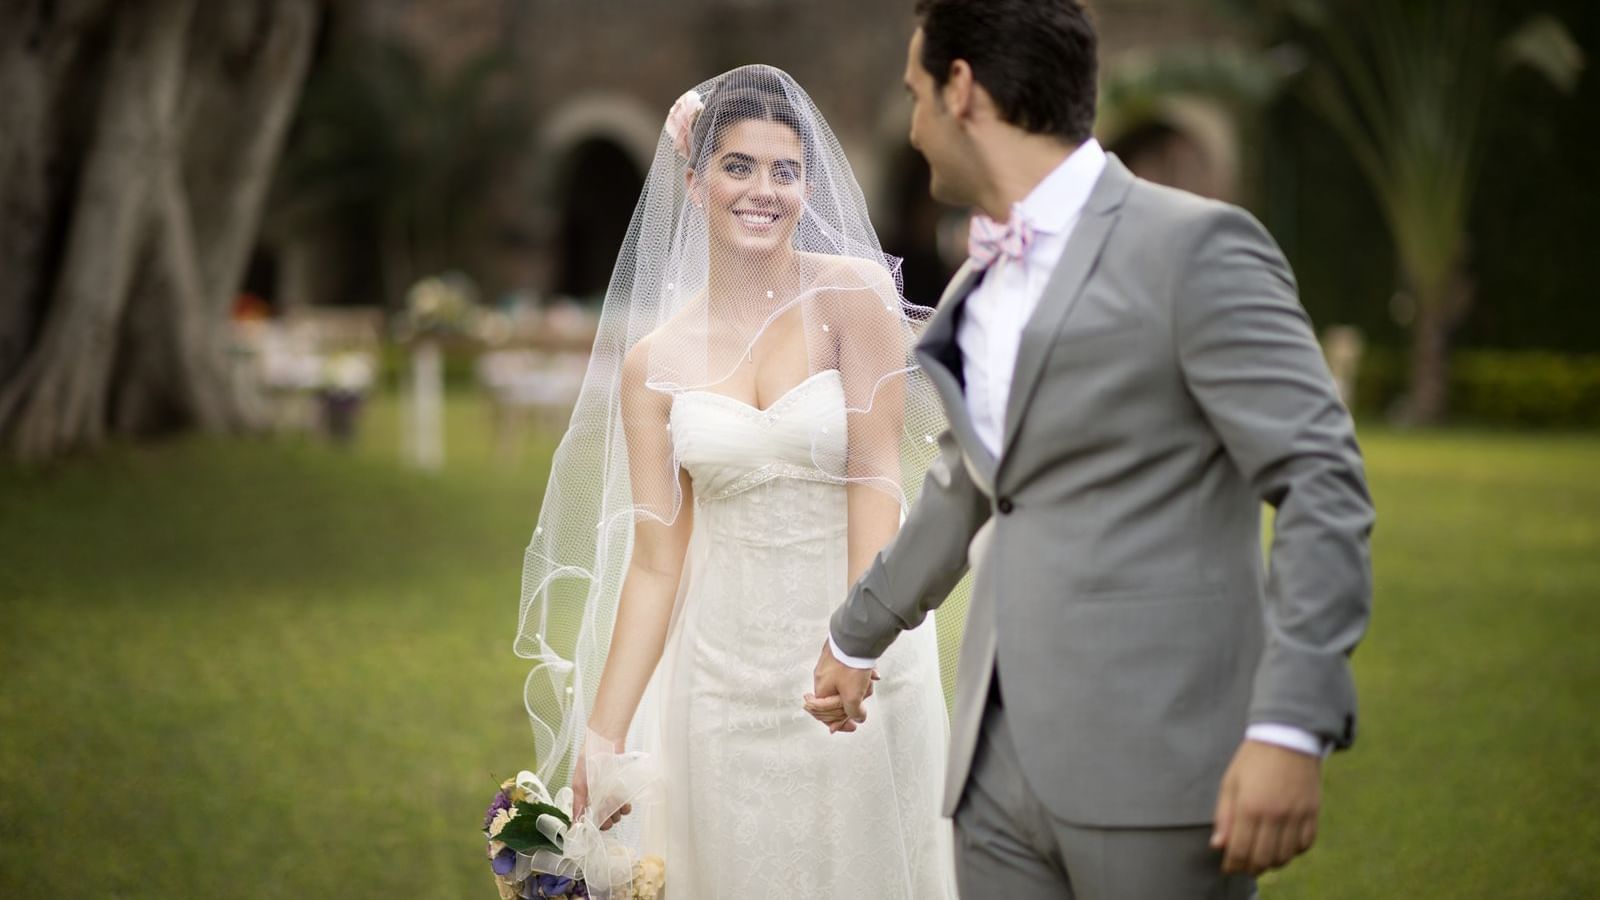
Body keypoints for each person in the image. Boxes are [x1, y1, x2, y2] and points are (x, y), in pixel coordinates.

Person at [808, 2, 1376, 897]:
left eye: (917, 94)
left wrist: (1290, 727)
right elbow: (966, 487)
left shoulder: (1197, 248)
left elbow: (1322, 482)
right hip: (992, 774)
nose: (912, 128)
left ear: (963, 91)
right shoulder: (977, 281)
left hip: (1155, 765)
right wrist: (856, 634)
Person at [516, 65, 955, 899]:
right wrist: (602, 736)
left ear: (808, 185)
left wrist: (859, 642)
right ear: (695, 182)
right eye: (738, 166)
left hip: (858, 662)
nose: (764, 191)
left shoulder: (853, 298)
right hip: (721, 679)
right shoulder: (652, 366)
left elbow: (875, 480)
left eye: (785, 171)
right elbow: (654, 562)